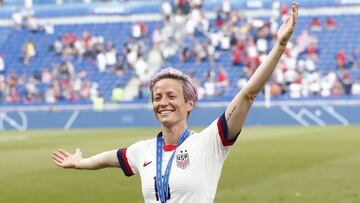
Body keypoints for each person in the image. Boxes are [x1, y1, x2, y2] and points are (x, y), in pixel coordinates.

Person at [52, 2, 298, 203]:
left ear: (189, 103)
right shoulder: (143, 151)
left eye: (171, 96)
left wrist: (280, 45)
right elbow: (111, 158)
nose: (163, 103)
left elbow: (247, 94)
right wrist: (81, 163)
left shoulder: (209, 143)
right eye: (157, 97)